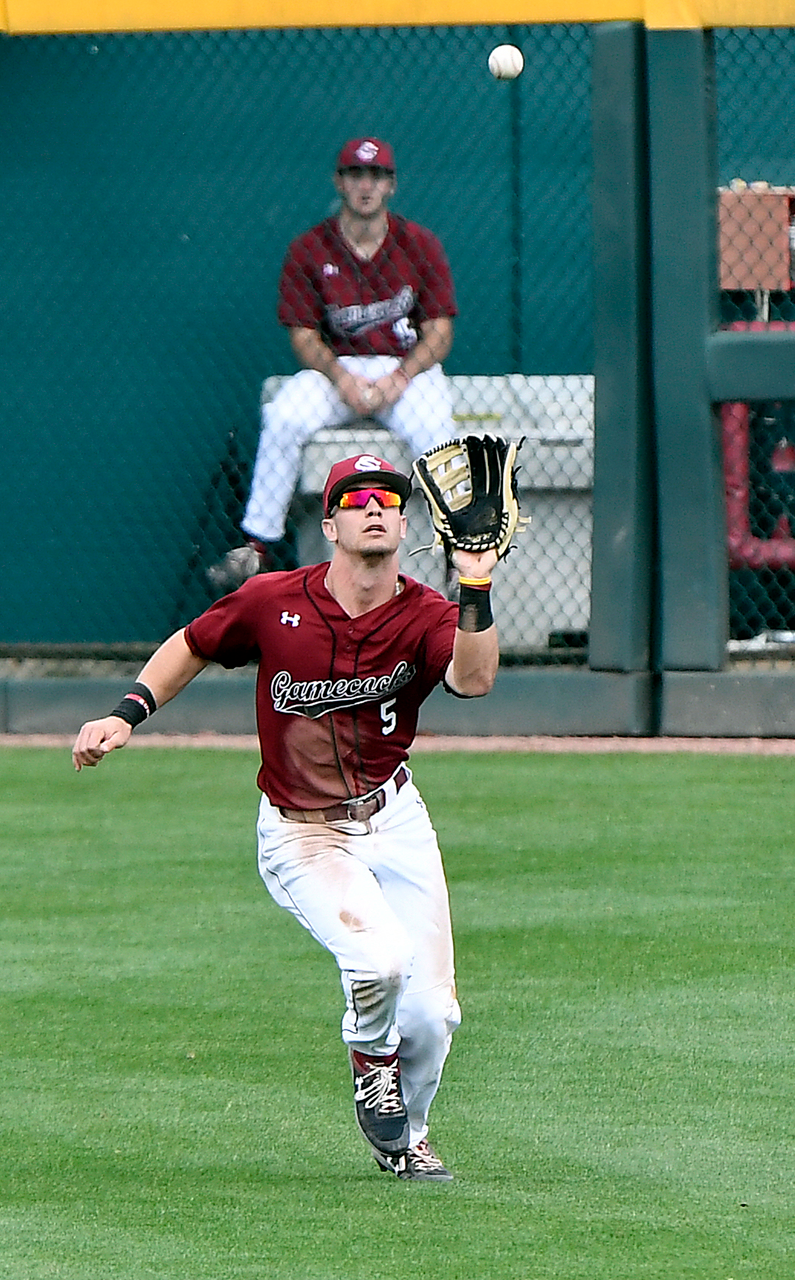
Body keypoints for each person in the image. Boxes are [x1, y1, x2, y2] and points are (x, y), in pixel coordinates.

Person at [74, 451, 501, 1182]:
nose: (375, 508)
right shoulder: (273, 600)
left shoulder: (430, 610)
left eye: (389, 500)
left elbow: (473, 677)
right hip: (304, 831)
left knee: (433, 1016)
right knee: (377, 960)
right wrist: (128, 713)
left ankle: (407, 1139)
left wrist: (477, 581)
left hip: (394, 818)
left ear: (405, 523)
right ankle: (373, 1067)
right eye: (357, 498)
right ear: (329, 523)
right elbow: (192, 643)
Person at [209, 137, 458, 592]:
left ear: (391, 186)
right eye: (356, 175)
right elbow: (303, 335)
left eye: (376, 176)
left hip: (406, 371)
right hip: (335, 369)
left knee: (436, 430)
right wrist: (340, 376)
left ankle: (459, 555)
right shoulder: (310, 249)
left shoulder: (419, 245)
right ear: (339, 182)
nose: (366, 185)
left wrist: (401, 376)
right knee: (283, 416)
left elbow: (440, 332)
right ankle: (254, 549)